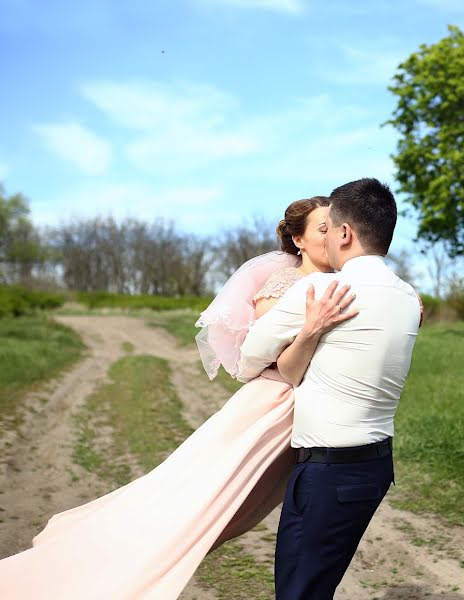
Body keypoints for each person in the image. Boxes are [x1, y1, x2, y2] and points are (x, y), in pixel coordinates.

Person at [0, 195, 357, 599]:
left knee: (239, 513)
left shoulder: (346, 284)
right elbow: (266, 352)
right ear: (298, 241)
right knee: (195, 506)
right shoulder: (283, 285)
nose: (331, 238)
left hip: (305, 412)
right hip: (270, 407)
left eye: (336, 228)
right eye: (321, 229)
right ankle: (100, 573)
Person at [236, 177, 422, 599]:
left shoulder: (320, 289)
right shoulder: (409, 298)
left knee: (298, 591)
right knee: (317, 583)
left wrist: (304, 333)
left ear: (345, 233)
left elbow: (248, 356)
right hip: (376, 469)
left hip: (327, 473)